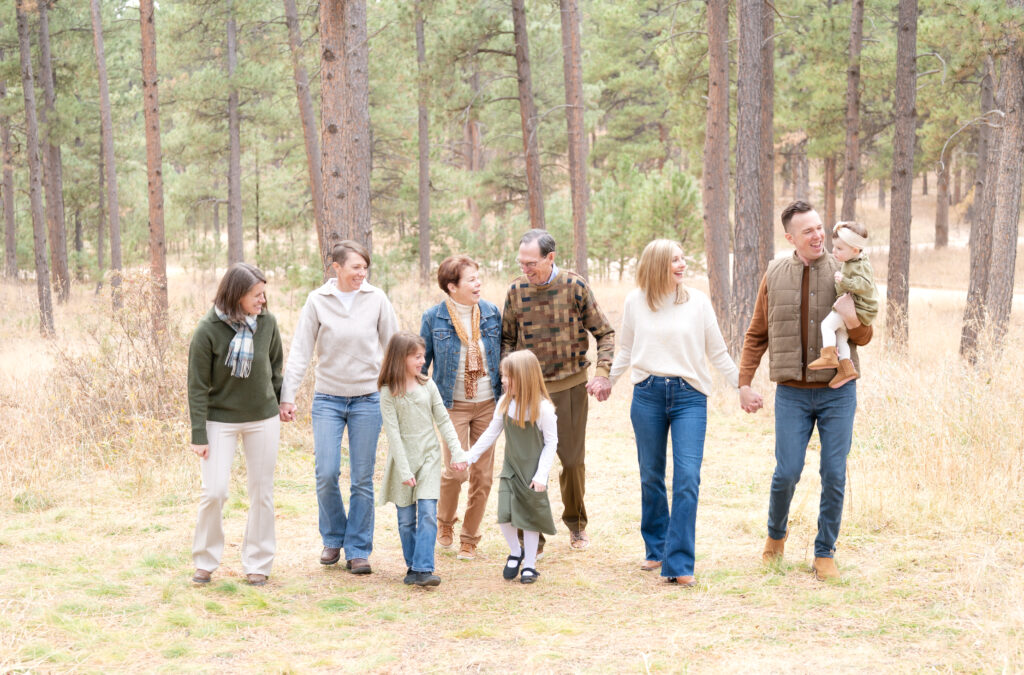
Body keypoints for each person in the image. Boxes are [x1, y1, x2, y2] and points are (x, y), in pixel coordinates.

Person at [739, 201, 873, 581]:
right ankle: (775, 538)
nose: (817, 236)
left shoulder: (846, 273)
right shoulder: (775, 272)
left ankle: (824, 552)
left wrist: (852, 319)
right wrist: (744, 382)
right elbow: (757, 332)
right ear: (790, 238)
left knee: (834, 473)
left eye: (819, 227)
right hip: (792, 395)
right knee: (787, 472)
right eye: (808, 231)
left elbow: (864, 336)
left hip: (837, 390)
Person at [608, 240, 738, 587]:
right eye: (674, 260)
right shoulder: (636, 301)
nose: (682, 265)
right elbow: (625, 349)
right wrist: (607, 380)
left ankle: (679, 562)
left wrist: (744, 385)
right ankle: (656, 547)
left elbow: (719, 352)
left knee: (687, 478)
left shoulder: (697, 301)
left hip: (689, 397)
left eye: (682, 258)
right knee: (650, 474)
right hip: (648, 394)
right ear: (656, 265)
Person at [279, 240, 399, 575]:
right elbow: (301, 350)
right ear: (336, 267)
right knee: (326, 472)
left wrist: (401, 391)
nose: (361, 273)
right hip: (328, 399)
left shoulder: (376, 299)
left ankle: (358, 548)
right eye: (355, 267)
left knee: (362, 478)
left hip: (367, 399)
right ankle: (333, 537)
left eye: (365, 268)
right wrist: (287, 396)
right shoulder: (318, 300)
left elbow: (394, 345)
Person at [501, 229, 615, 550]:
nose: (525, 269)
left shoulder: (575, 287)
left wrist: (603, 373)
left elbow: (604, 332)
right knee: (528, 463)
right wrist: (508, 378)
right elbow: (507, 341)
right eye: (521, 262)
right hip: (528, 392)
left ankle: (576, 524)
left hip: (570, 387)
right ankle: (530, 534)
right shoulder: (515, 291)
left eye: (532, 263)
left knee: (572, 461)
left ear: (551, 257)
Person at [187, 262, 283, 587]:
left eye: (263, 294)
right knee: (214, 492)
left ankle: (258, 562)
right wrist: (198, 433)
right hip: (219, 420)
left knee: (261, 492)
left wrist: (283, 402)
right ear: (237, 294)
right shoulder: (207, 330)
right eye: (256, 295)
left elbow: (275, 367)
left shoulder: (267, 323)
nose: (262, 301)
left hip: (263, 418)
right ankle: (205, 560)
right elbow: (197, 386)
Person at [419, 255, 503, 560]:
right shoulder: (433, 318)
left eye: (478, 277)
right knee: (457, 472)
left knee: (483, 475)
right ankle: (445, 521)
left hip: (488, 404)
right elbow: (421, 364)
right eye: (471, 279)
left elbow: (503, 356)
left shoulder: (492, 313)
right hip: (452, 406)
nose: (478, 283)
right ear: (452, 287)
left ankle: (469, 537)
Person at [378, 332, 470, 587]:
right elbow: (393, 435)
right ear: (401, 358)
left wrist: (458, 452)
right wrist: (405, 470)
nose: (422, 361)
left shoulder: (427, 385)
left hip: (429, 457)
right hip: (402, 462)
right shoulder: (388, 392)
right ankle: (413, 567)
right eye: (417, 357)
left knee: (428, 512)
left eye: (422, 356)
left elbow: (443, 419)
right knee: (406, 519)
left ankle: (424, 568)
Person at [465, 350, 558, 584]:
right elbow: (491, 433)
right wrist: (470, 456)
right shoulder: (505, 404)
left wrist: (541, 475)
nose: (503, 380)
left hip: (532, 472)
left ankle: (529, 565)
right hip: (511, 468)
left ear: (525, 377)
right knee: (504, 516)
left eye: (508, 376)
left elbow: (551, 443)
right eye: (503, 376)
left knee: (528, 518)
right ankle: (515, 551)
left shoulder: (543, 409)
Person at [807, 221, 879, 387]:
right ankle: (846, 368)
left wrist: (845, 281)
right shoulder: (853, 260)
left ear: (855, 250)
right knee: (841, 336)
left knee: (826, 326)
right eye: (834, 247)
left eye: (839, 249)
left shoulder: (860, 265)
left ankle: (828, 355)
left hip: (855, 307)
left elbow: (865, 285)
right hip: (854, 307)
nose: (834, 251)